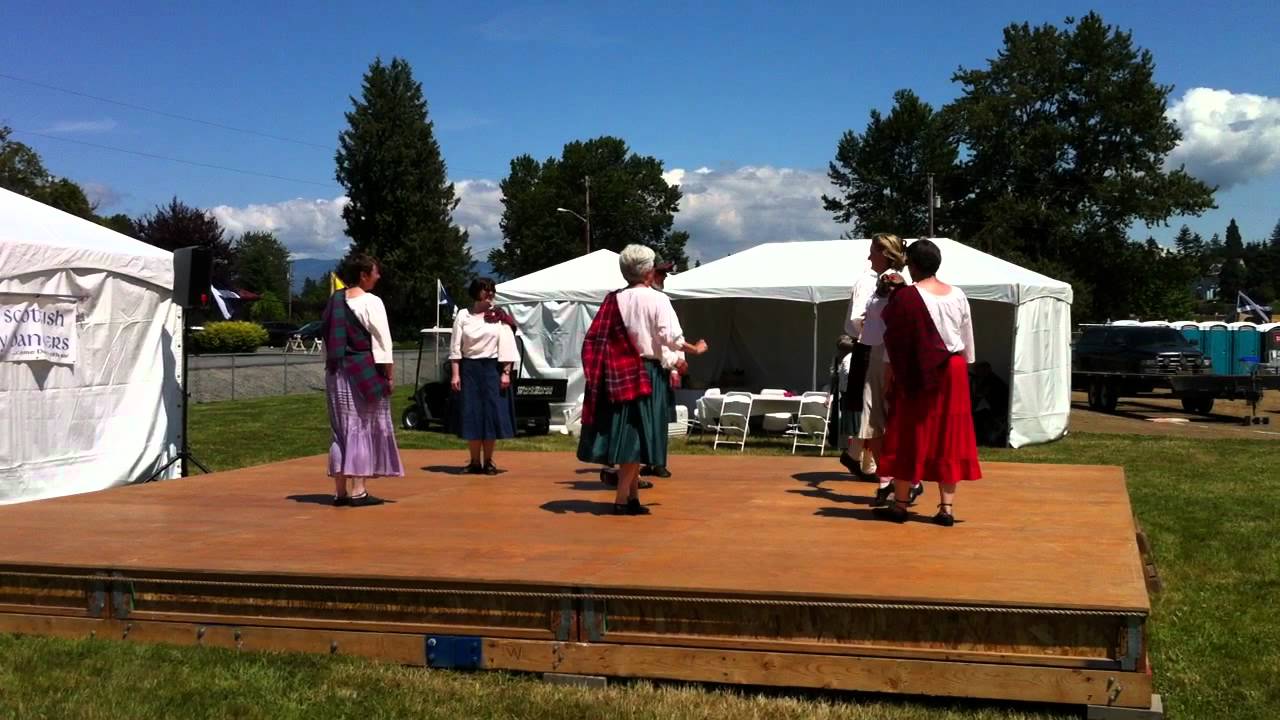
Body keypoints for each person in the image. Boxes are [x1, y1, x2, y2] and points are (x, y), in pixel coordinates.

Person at [579, 245, 708, 515]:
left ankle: (633, 497)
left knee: (631, 434)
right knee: (635, 438)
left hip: (618, 373)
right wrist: (693, 350)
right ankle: (621, 498)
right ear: (649, 271)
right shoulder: (657, 300)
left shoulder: (613, 299)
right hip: (645, 374)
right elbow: (668, 337)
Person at [875, 239, 982, 526]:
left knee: (908, 431)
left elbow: (894, 343)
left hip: (917, 372)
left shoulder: (907, 297)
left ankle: (899, 505)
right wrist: (963, 362)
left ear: (913, 265)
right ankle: (946, 509)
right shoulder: (957, 294)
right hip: (953, 370)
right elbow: (966, 338)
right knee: (950, 433)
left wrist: (889, 376)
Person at [322, 253, 402, 506]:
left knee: (341, 430)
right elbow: (382, 342)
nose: (378, 276)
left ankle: (340, 492)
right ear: (363, 275)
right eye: (375, 272)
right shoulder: (371, 302)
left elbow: (327, 341)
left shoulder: (333, 302)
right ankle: (358, 490)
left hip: (336, 373)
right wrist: (388, 374)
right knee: (360, 426)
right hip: (362, 371)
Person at [449, 277, 519, 474]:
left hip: (492, 371)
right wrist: (456, 374)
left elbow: (508, 346)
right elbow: (455, 347)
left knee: (490, 414)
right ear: (476, 292)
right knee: (472, 414)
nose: (489, 294)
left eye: (491, 290)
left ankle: (488, 461)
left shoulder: (498, 316)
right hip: (469, 370)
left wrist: (506, 372)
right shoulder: (463, 315)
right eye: (485, 290)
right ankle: (474, 462)